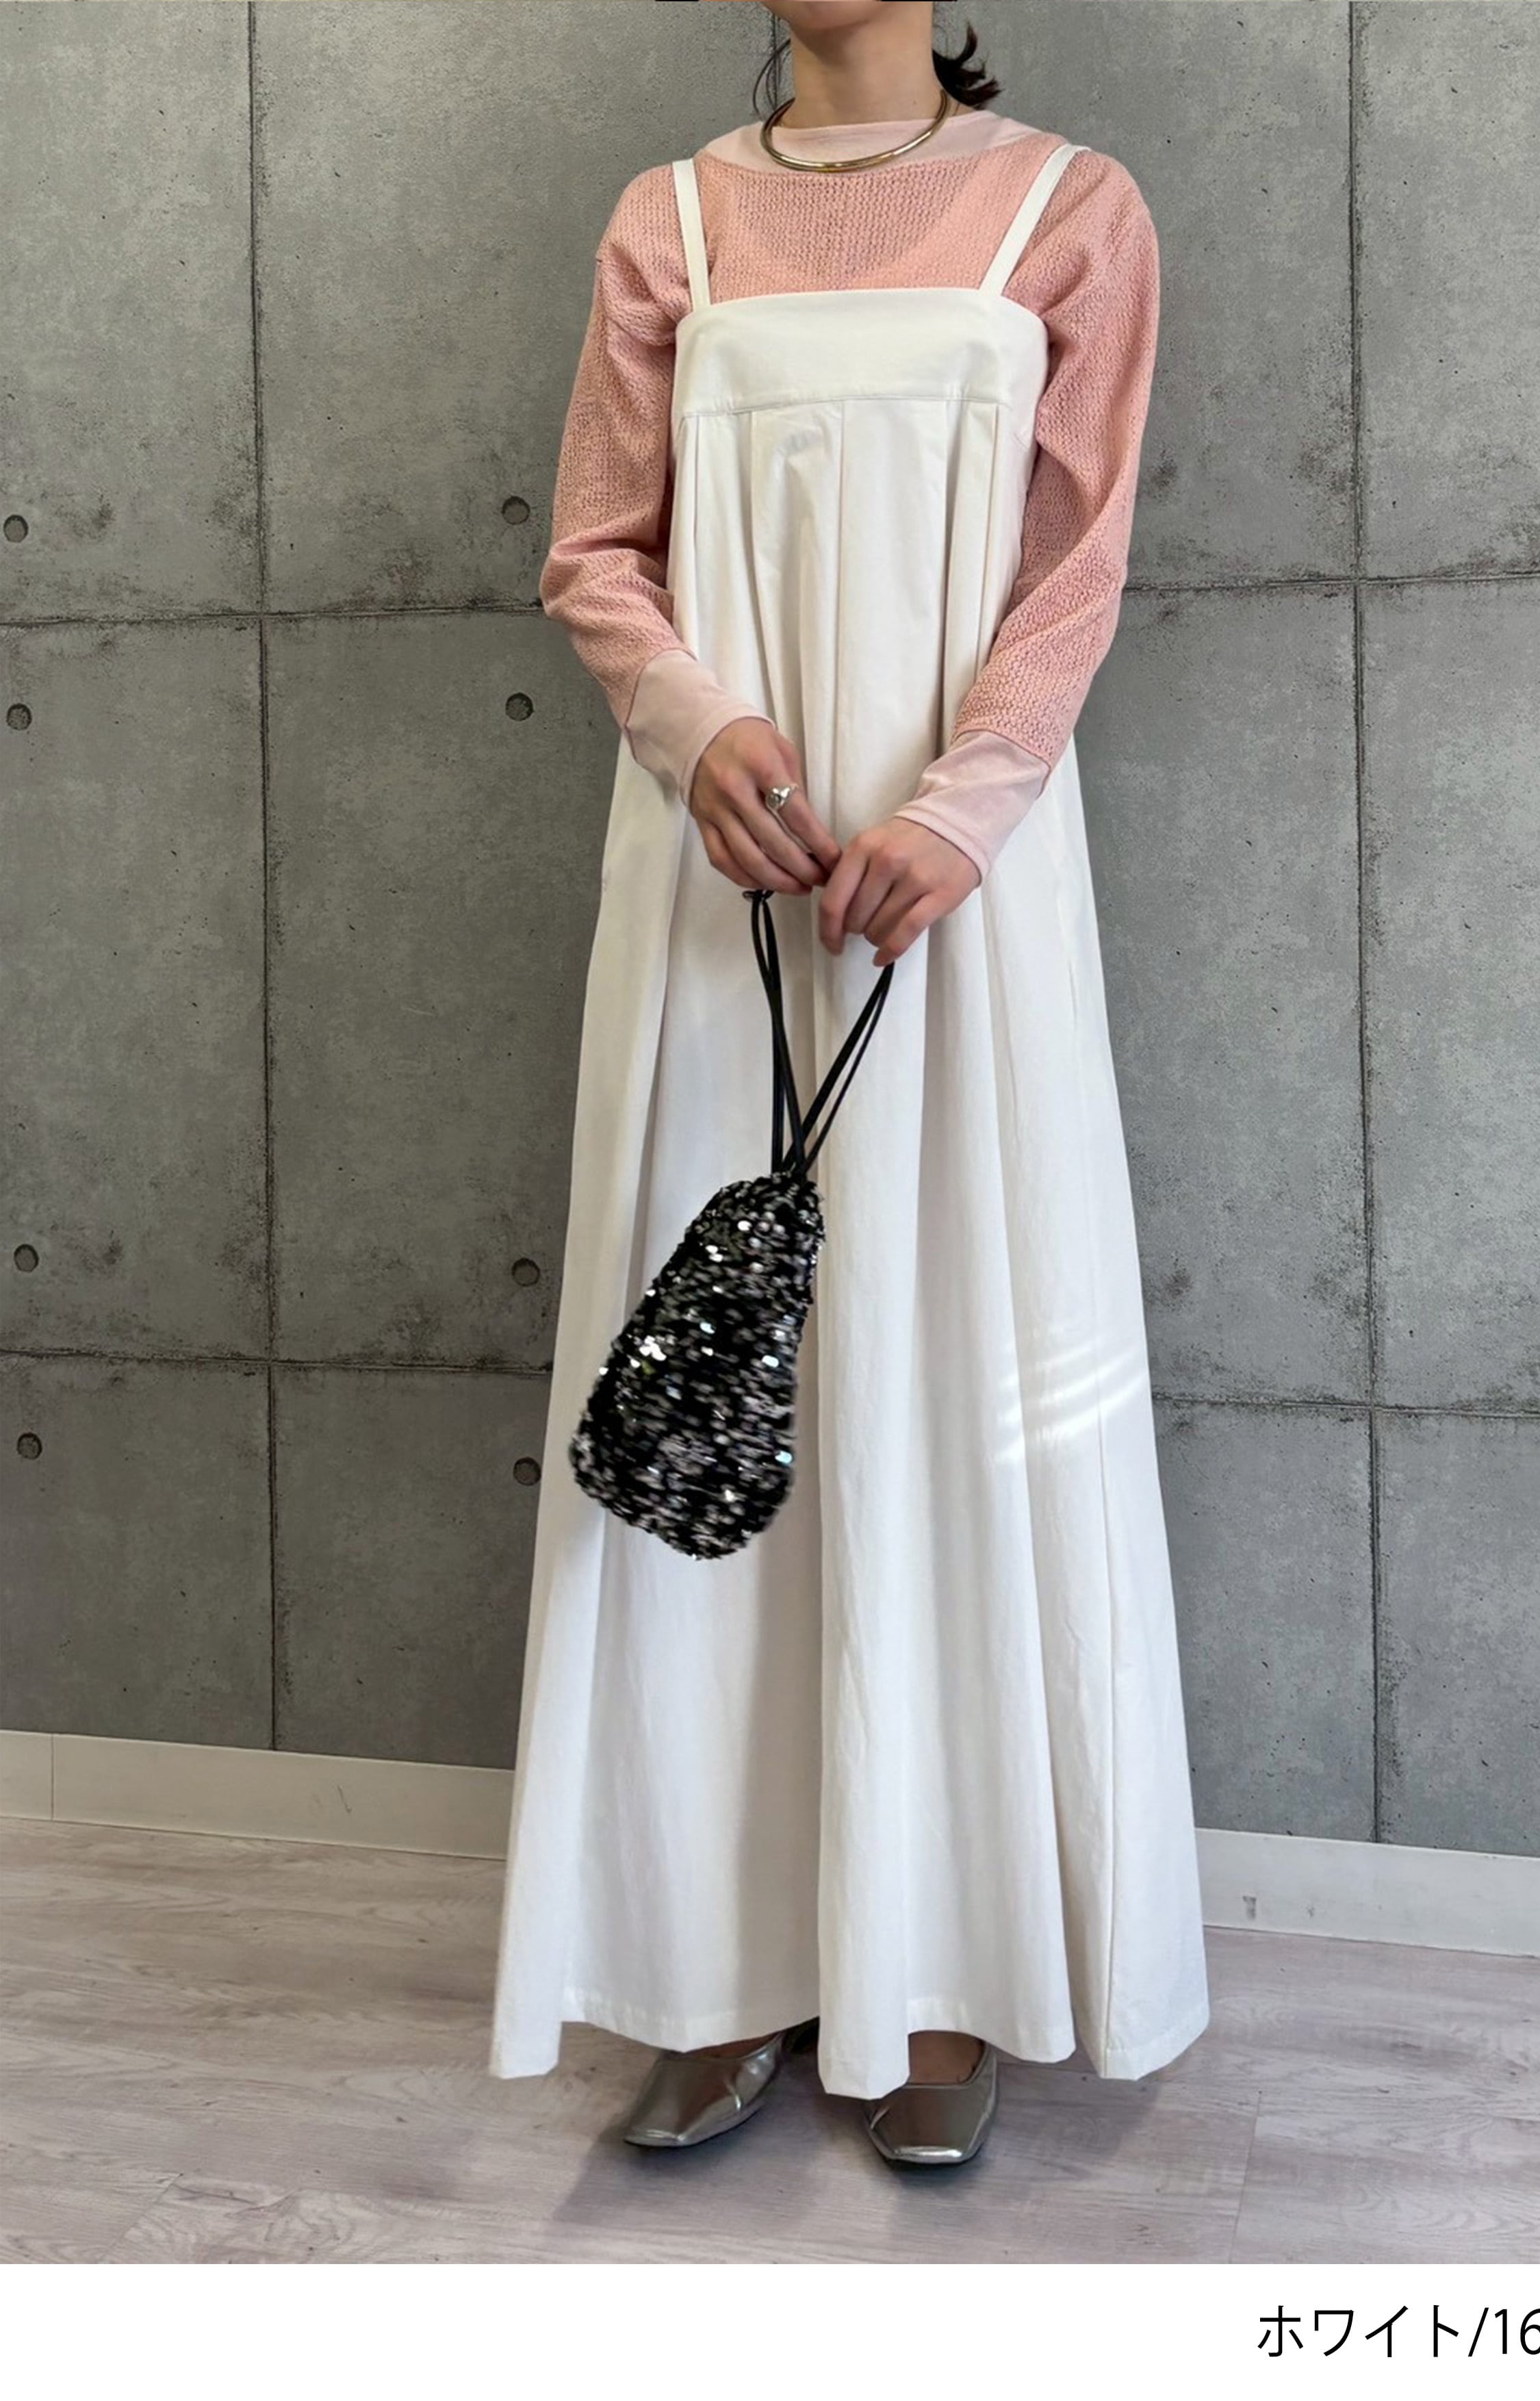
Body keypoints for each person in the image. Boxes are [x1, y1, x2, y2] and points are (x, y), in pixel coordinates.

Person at [487, 0, 1210, 2170]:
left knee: (944, 1370)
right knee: (718, 1378)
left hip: (960, 895)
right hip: (721, 881)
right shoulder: (671, 221)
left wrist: (966, 809)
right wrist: (701, 733)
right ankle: (715, 1964)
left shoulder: (1074, 210)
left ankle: (950, 1964)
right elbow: (597, 551)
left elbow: (1075, 567)